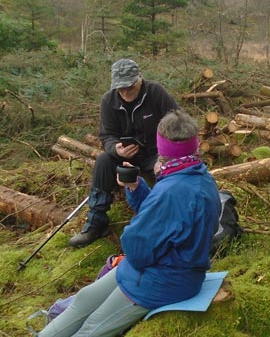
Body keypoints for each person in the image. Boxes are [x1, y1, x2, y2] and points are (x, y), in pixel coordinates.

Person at [38, 109, 221, 337]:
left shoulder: (172, 190)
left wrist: (136, 230)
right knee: (84, 299)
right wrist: (136, 187)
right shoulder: (197, 176)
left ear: (162, 146)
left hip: (162, 280)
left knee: (92, 327)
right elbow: (169, 220)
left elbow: (137, 247)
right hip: (152, 269)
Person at [69, 58, 179, 248]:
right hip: (125, 157)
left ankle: (170, 224)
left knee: (169, 175)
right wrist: (116, 149)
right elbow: (107, 135)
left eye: (129, 86)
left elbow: (178, 123)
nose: (125, 92)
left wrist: (164, 156)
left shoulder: (155, 93)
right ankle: (96, 222)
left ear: (139, 79)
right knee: (103, 160)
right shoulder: (108, 100)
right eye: (121, 88)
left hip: (156, 154)